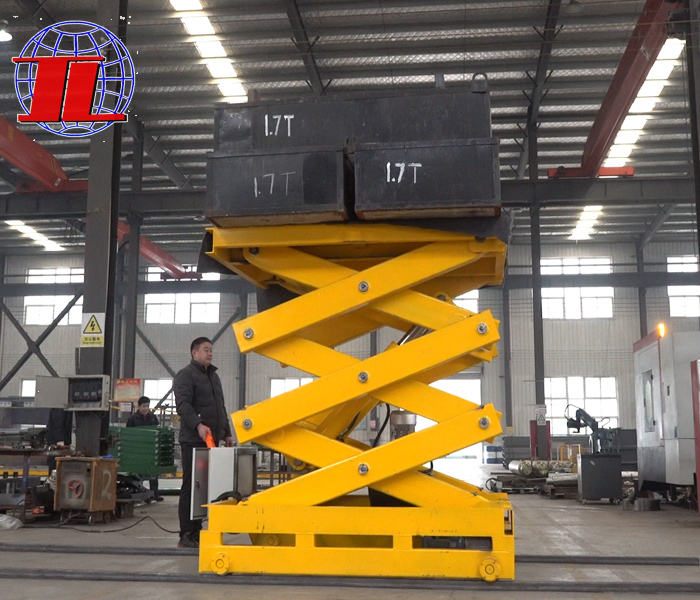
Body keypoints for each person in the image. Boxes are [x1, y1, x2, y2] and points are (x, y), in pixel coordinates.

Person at [174, 337, 234, 548]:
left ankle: (198, 531)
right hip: (193, 440)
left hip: (211, 441)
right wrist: (198, 425)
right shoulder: (185, 375)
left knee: (205, 487)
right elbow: (183, 405)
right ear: (194, 353)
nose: (210, 353)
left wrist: (226, 432)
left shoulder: (213, 377)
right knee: (192, 486)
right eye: (206, 350)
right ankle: (187, 534)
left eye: (211, 350)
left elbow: (220, 407)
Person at [126, 396, 162, 501]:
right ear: (139, 406)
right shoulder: (132, 419)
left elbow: (158, 431)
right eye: (143, 406)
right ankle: (138, 492)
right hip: (137, 450)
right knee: (137, 473)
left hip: (150, 449)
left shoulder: (153, 418)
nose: (146, 408)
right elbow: (128, 434)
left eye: (147, 406)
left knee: (153, 472)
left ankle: (155, 494)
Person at [46, 408, 72, 474]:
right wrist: (60, 441)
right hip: (57, 443)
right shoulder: (60, 406)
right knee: (56, 468)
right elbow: (57, 423)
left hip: (60, 442)